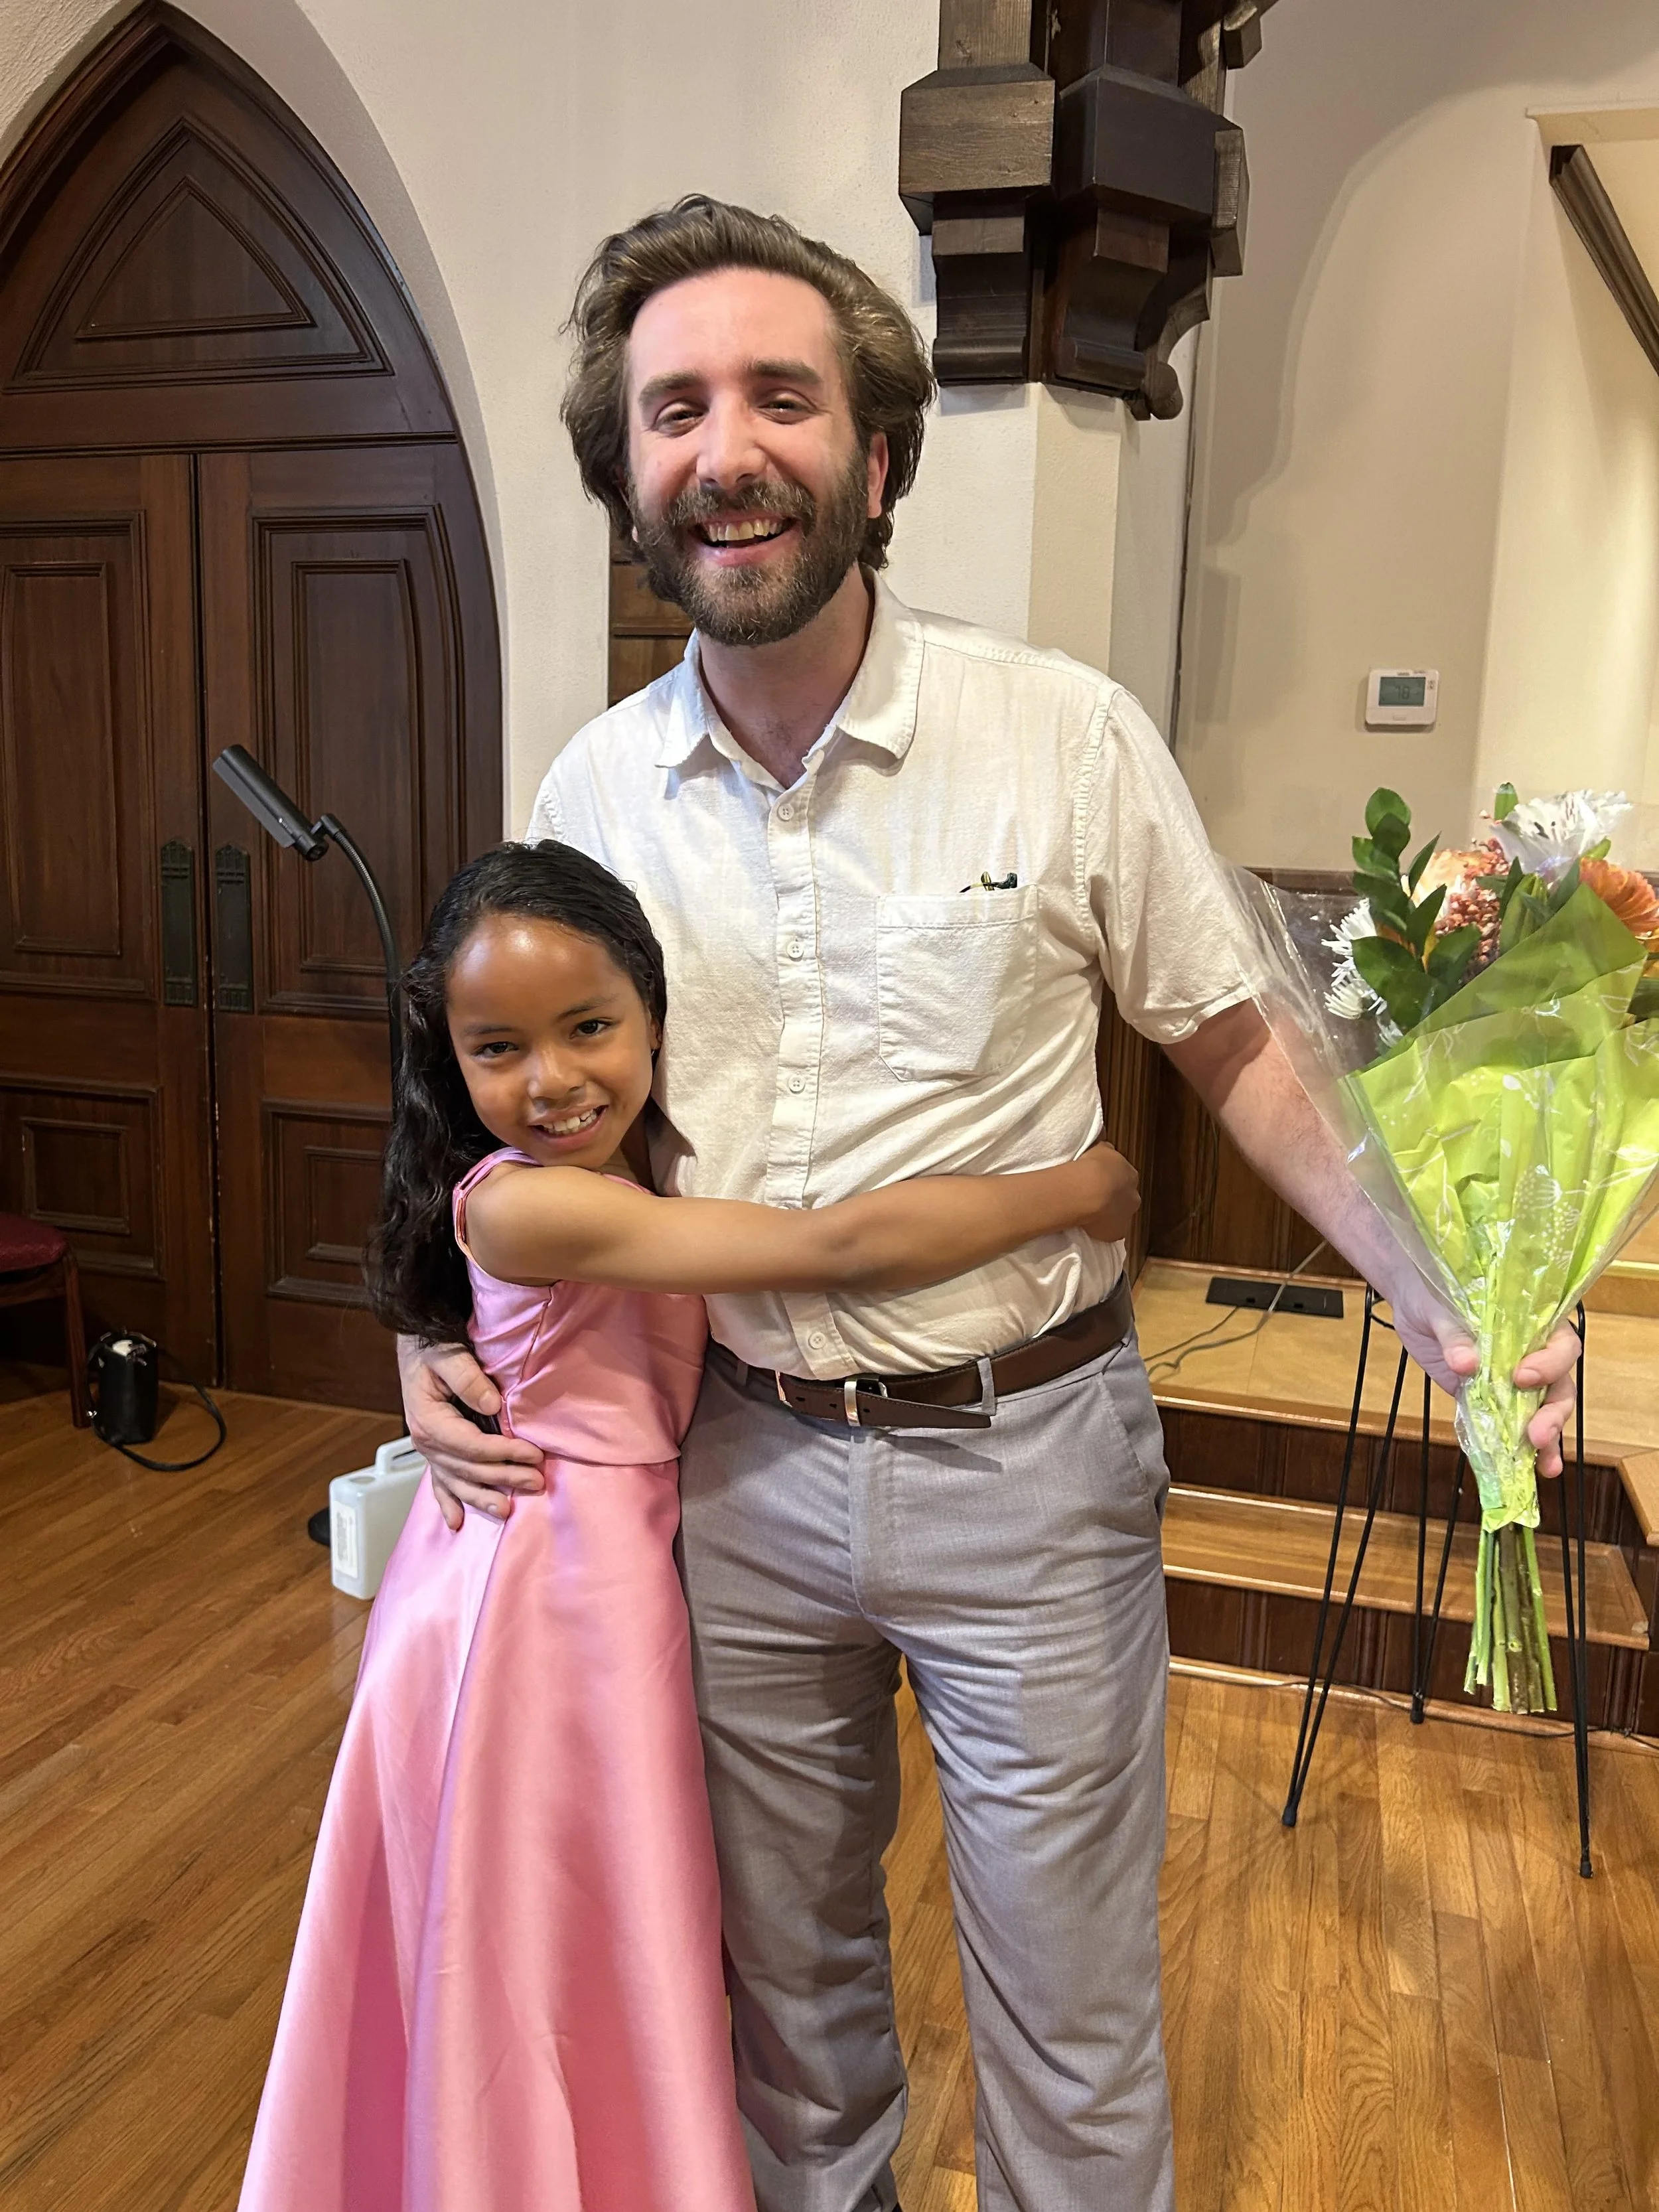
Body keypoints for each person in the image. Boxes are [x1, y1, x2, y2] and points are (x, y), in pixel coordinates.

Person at [399, 200, 1581, 2212]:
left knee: (1069, 2012)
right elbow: (504, 1109)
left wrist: (1443, 1291)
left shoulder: (1059, 735)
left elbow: (1240, 1046)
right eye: (674, 411)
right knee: (781, 2004)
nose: (726, 449)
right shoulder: (588, 791)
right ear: (629, 478)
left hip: (1024, 1465)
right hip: (729, 1471)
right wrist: (426, 1339)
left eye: (780, 397)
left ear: (875, 455)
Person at [238, 840, 1138, 2212]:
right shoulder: (534, 1200)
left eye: (588, 1029)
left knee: (607, 1918)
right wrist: (1072, 1193)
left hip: (605, 1563)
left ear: (653, 1015)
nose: (551, 1080)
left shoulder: (615, 1167)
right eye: (498, 1050)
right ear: (449, 1060)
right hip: (536, 1592)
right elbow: (833, 1250)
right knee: (524, 1925)